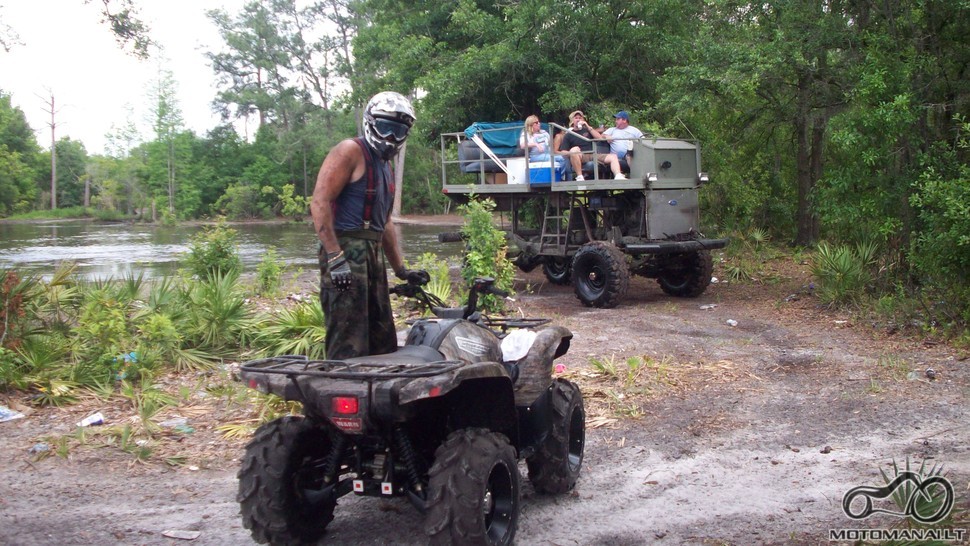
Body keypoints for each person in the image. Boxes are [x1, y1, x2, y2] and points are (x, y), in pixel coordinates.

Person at [310, 91, 429, 360]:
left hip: (372, 252)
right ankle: (342, 391)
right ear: (371, 123)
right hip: (345, 249)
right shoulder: (350, 150)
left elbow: (384, 223)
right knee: (348, 337)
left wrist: (402, 271)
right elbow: (320, 202)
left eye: (398, 131)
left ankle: (378, 395)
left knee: (381, 335)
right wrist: (335, 256)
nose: (391, 138)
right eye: (386, 128)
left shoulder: (385, 166)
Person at [558, 110, 625, 181]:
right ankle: (580, 176)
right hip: (580, 156)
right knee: (574, 150)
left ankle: (618, 175)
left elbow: (599, 138)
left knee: (613, 156)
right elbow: (563, 152)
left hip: (593, 154)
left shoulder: (588, 130)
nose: (578, 120)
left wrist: (587, 126)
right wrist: (572, 152)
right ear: (572, 121)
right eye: (576, 118)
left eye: (580, 118)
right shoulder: (568, 135)